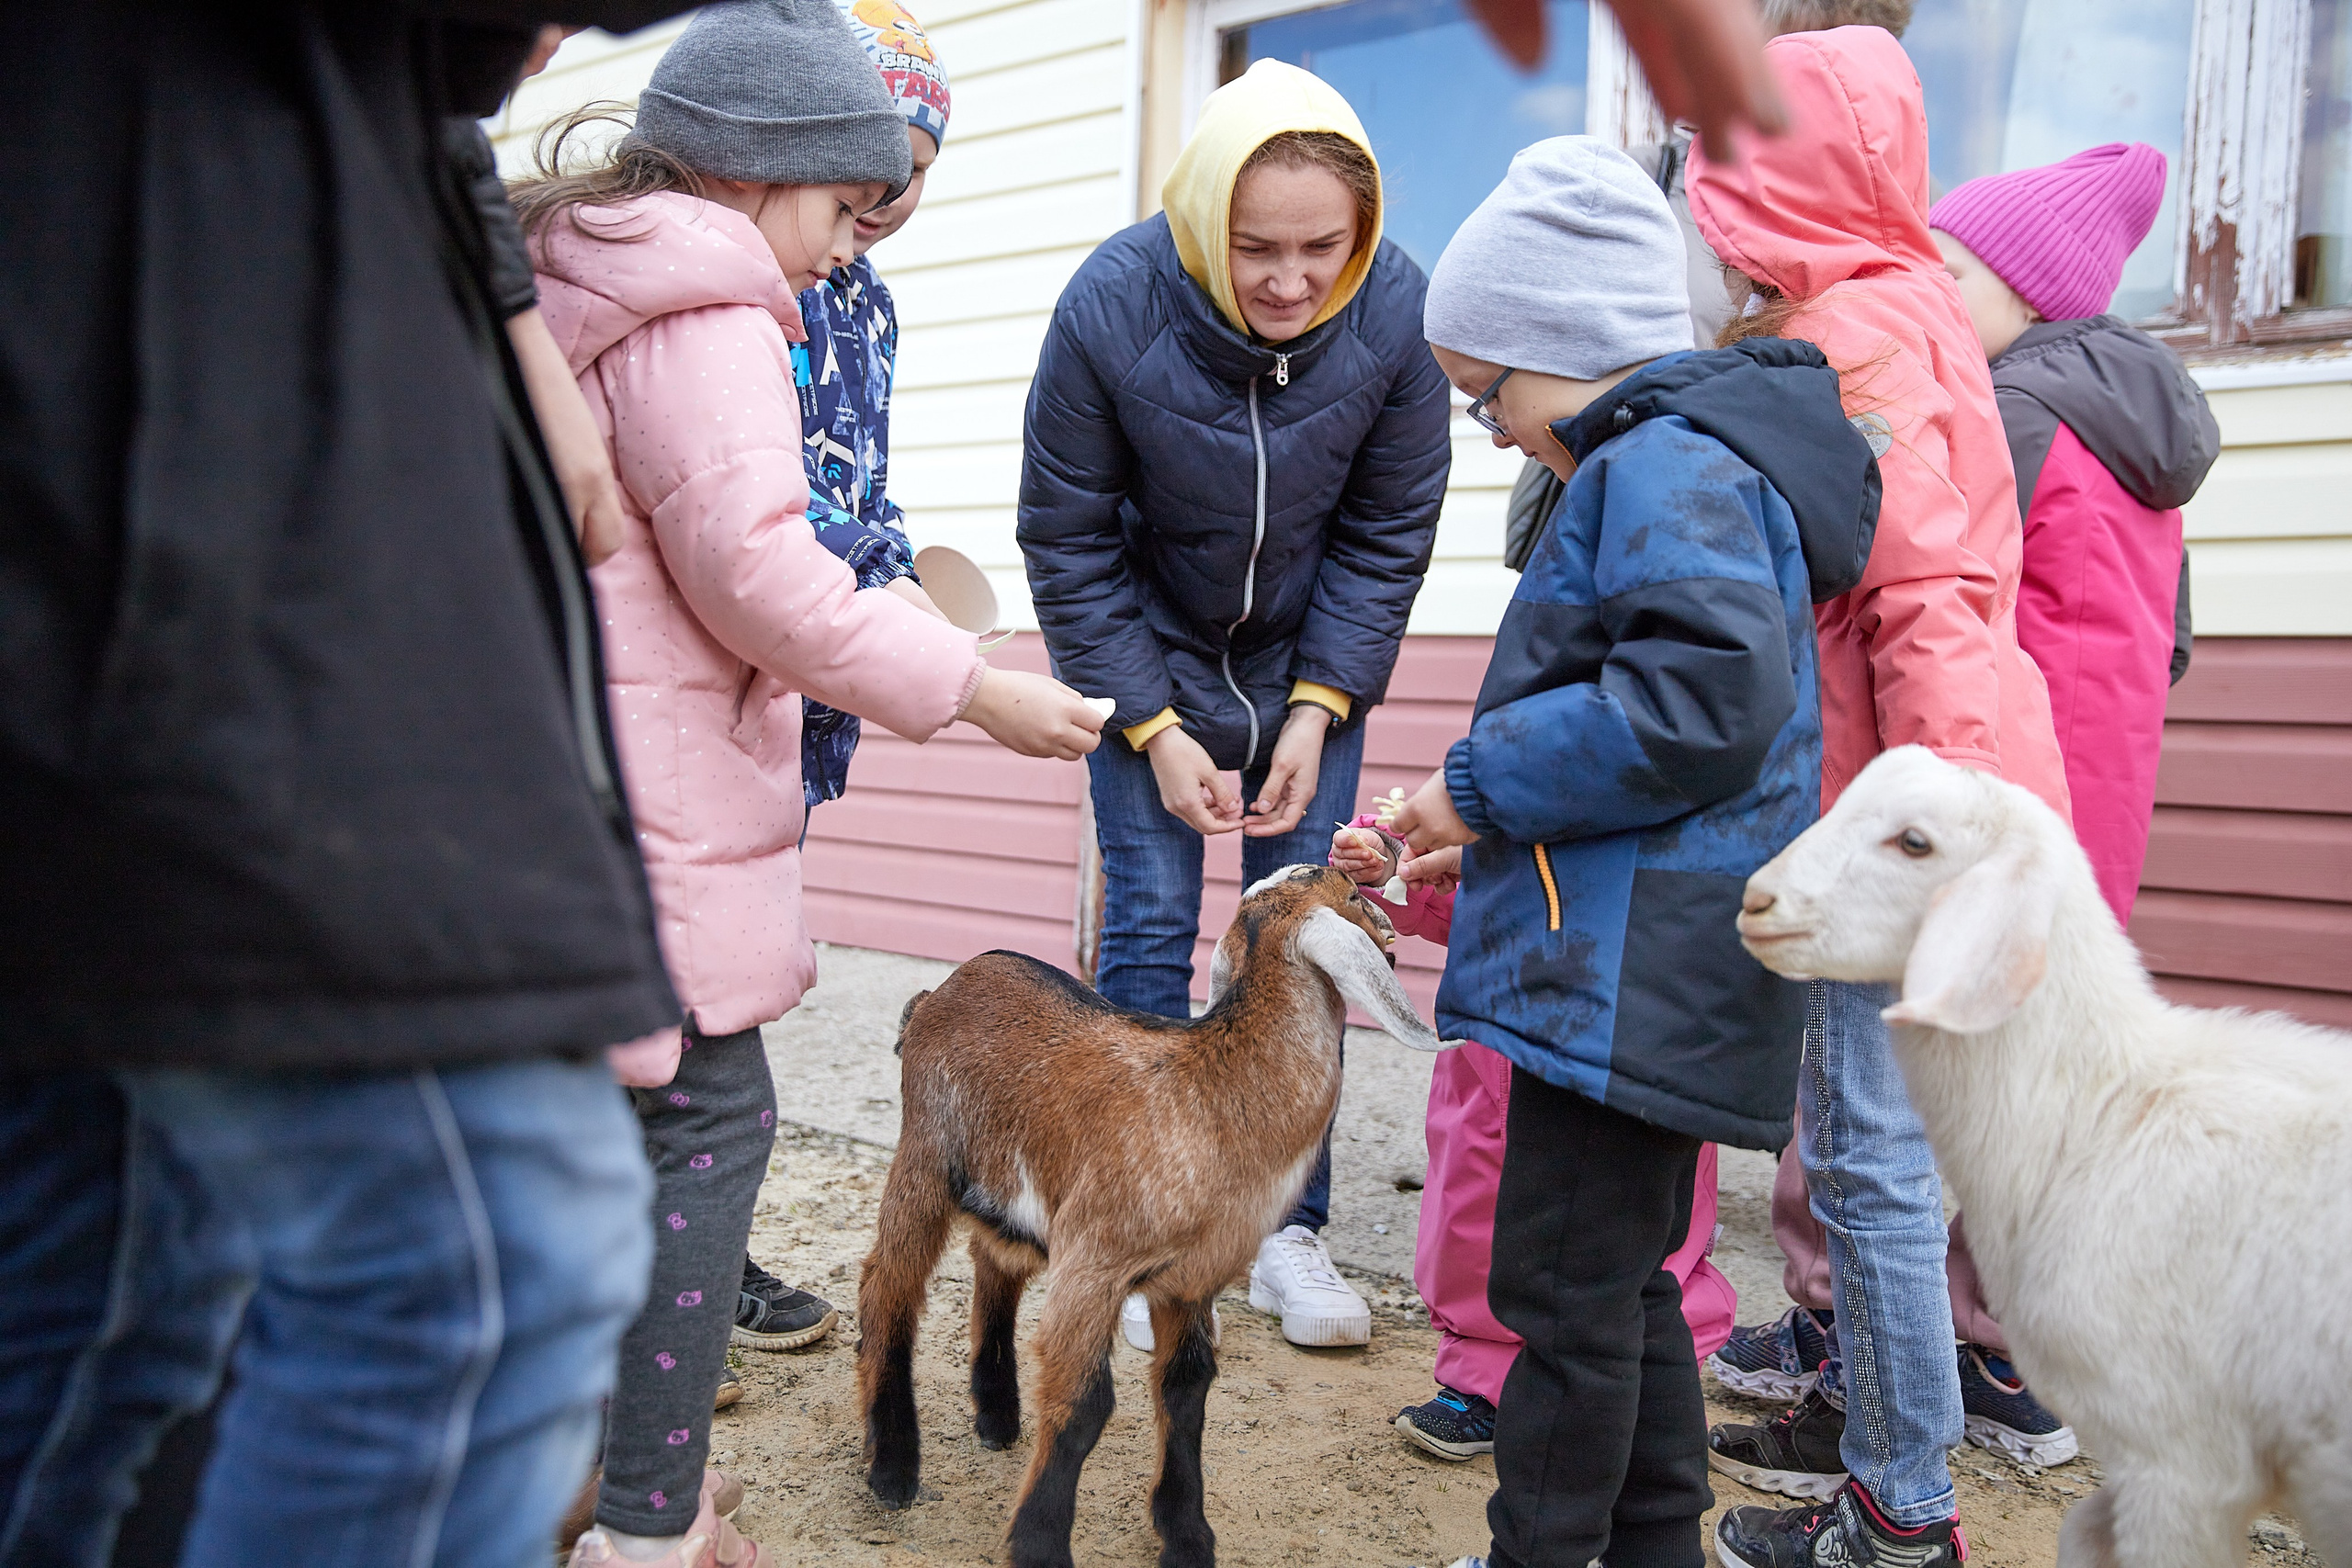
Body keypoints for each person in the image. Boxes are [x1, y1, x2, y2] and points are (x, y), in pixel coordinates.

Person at [1, 7, 715, 1568]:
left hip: (195, 328)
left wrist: (490, 269)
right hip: (190, 385)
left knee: (126, 1279)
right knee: (484, 1256)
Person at [517, 5, 1104, 1563]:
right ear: (756, 169)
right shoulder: (708, 316)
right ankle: (646, 1518)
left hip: (565, 798)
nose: (854, 248)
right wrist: (973, 687)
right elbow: (760, 573)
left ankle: (566, 1481)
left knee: (582, 1153)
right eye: (847, 207)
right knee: (712, 1128)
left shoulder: (582, 278)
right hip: (656, 809)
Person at [1386, 135, 1875, 1568]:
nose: (1487, 427)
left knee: (1559, 1291)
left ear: (1575, 343)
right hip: (1644, 961)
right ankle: (1657, 1542)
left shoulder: (1661, 465)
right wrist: (1465, 806)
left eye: (1491, 392)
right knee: (1624, 1288)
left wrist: (1479, 786)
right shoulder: (1682, 461)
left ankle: (1541, 1550)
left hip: (1623, 973)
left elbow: (1700, 698)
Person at [1686, 27, 2073, 1567]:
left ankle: (1901, 1507)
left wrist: (1929, 844)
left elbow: (1925, 600)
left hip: (1902, 825)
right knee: (1853, 1150)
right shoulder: (1907, 311)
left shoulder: (1863, 340)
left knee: (1871, 1164)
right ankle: (1857, 1413)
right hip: (1895, 801)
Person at [1017, 58, 1451, 1351]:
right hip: (1144, 660)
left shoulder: (1396, 312)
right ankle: (1133, 1225)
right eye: (1256, 247)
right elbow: (1070, 537)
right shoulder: (1110, 303)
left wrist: (1321, 706)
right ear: (1204, 222)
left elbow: (1387, 533)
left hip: (1307, 666)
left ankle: (1286, 1226)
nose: (1291, 279)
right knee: (1149, 929)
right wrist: (1149, 725)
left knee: (1306, 953)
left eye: (1324, 247)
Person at [727, 0, 962, 1371]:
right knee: (688, 1002)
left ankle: (709, 1245)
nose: (880, 197)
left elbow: (853, 478)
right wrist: (884, 580)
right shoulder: (753, 286)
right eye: (857, 166)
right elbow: (774, 503)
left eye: (912, 168)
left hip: (814, 694)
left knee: (752, 974)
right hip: (734, 673)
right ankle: (653, 1271)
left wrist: (901, 556)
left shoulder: (866, 300)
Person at [1327, 823, 1738, 1464]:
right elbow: (1463, 887)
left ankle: (1648, 1381)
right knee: (1479, 1215)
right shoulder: (1506, 757)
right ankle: (1486, 1382)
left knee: (1646, 1218)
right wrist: (1394, 865)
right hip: (1498, 1031)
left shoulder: (1679, 759)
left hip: (1640, 1017)